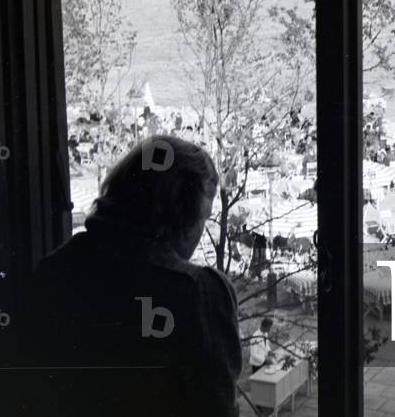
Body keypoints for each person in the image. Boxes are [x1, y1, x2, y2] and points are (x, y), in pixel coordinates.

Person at [26, 135, 241, 416]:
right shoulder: (198, 293)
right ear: (182, 214)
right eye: (203, 218)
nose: (201, 233)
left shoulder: (54, 270)